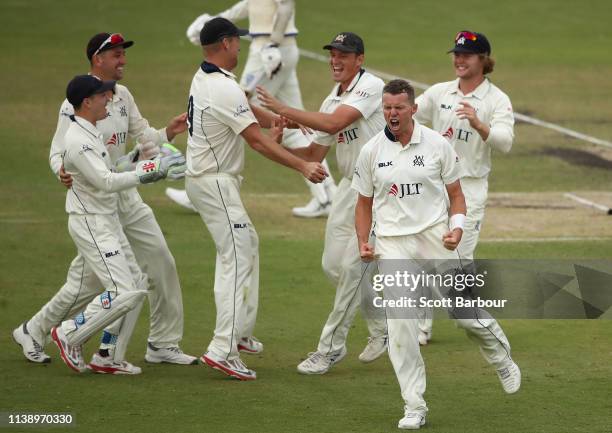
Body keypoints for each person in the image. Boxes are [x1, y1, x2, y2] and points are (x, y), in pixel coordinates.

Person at [12, 33, 197, 373]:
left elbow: (145, 140)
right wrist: (60, 171)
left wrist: (167, 134)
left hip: (124, 195)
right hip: (98, 198)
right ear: (98, 59)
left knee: (160, 262)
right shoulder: (76, 104)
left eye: (122, 54)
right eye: (116, 55)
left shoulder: (123, 96)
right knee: (95, 285)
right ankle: (41, 331)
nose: (123, 60)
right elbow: (59, 151)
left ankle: (161, 343)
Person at [352, 79, 520, 429]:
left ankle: (500, 356)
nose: (392, 114)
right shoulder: (371, 151)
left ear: (413, 109)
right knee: (401, 329)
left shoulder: (437, 145)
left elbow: (457, 195)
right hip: (392, 245)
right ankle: (414, 405)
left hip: (433, 237)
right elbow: (363, 203)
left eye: (398, 107)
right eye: (386, 108)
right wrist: (362, 242)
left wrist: (456, 227)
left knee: (464, 314)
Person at [187, 17, 327, 380]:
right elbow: (256, 140)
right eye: (238, 42)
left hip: (211, 182)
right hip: (215, 184)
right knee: (236, 257)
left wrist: (291, 123)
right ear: (227, 43)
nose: (242, 47)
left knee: (246, 245)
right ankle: (223, 348)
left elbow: (252, 117)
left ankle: (240, 332)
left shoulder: (209, 78)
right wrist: (303, 165)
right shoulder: (222, 87)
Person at [257, 32, 388, 374]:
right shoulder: (332, 99)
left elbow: (334, 123)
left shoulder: (371, 85)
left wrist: (281, 108)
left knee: (351, 268)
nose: (335, 60)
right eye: (332, 54)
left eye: (343, 54)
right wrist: (278, 146)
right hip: (350, 188)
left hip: (381, 190)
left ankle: (329, 348)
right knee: (333, 265)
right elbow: (315, 153)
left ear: (359, 58)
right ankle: (383, 325)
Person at [47, 75, 181, 373]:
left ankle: (108, 356)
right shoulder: (79, 140)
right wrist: (150, 170)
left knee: (134, 286)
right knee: (123, 291)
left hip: (107, 220)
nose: (108, 99)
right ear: (87, 102)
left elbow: (112, 169)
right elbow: (106, 182)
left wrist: (143, 160)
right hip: (91, 223)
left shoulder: (91, 131)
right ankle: (68, 332)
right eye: (101, 96)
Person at [169, 0, 337, 218]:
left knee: (232, 104)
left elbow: (285, 7)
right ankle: (327, 194)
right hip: (273, 49)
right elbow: (249, 4)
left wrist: (274, 43)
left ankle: (204, 190)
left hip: (269, 52)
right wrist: (212, 22)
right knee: (293, 122)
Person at [413, 30, 515, 346]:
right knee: (421, 254)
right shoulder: (440, 92)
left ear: (483, 60)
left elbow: (505, 142)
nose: (459, 60)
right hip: (434, 186)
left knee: (456, 259)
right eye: (456, 54)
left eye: (466, 55)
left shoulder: (496, 100)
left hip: (469, 189)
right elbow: (411, 112)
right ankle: (421, 326)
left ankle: (472, 316)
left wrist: (479, 123)